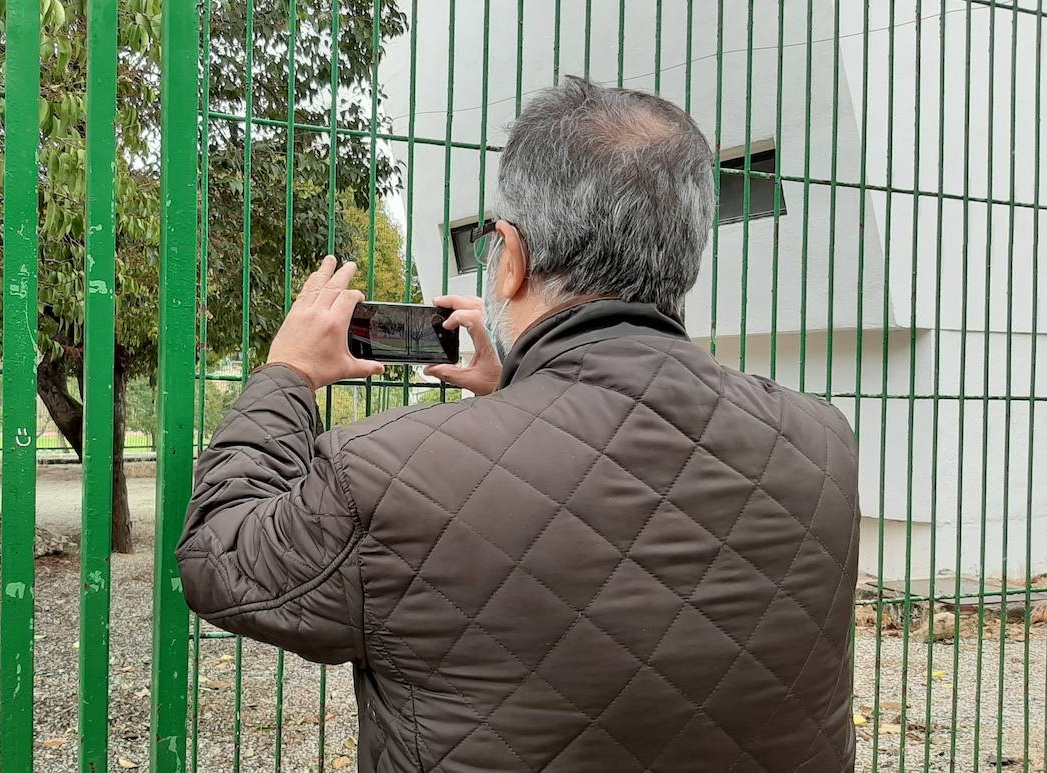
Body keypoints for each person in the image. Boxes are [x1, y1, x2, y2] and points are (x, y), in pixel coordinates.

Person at [177, 76, 860, 772]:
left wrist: (287, 373)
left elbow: (219, 557)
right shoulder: (822, 444)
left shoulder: (387, 474)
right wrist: (517, 390)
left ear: (514, 257)